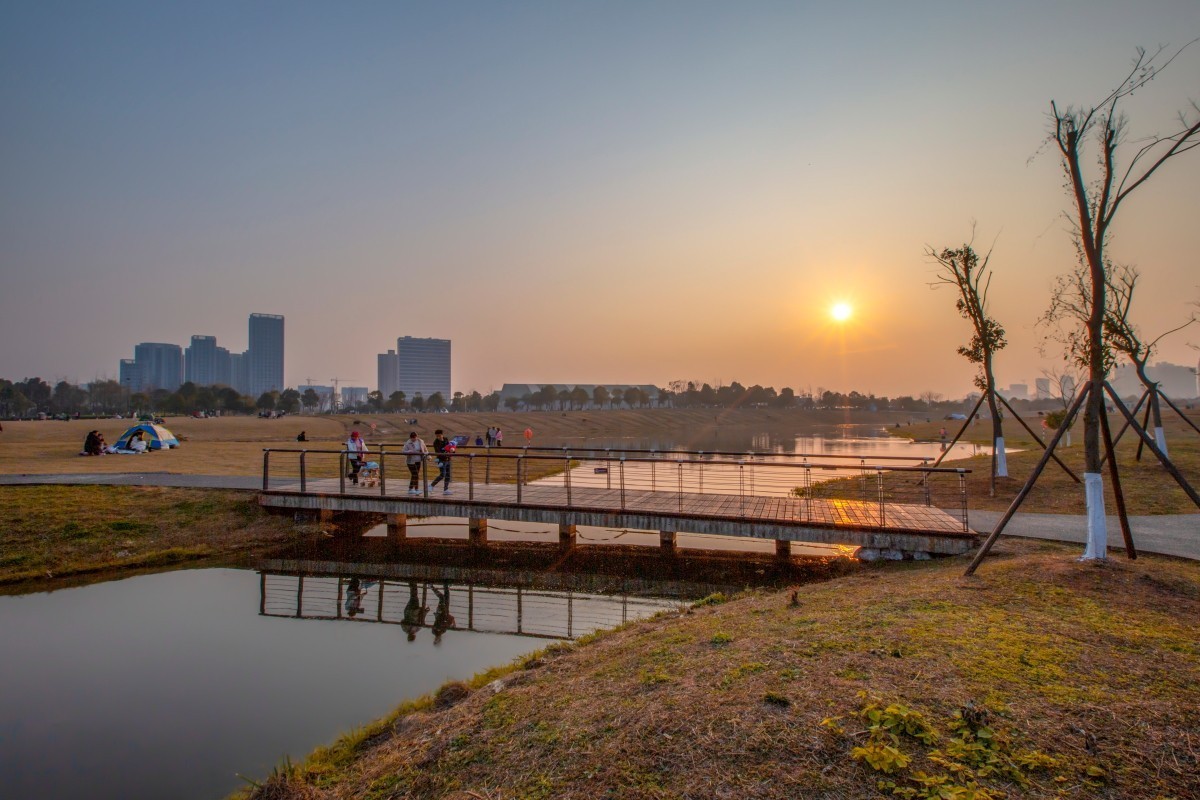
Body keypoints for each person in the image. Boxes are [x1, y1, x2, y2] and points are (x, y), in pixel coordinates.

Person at [402, 431, 428, 495]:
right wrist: (408, 451)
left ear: (417, 437)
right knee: (415, 474)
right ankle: (414, 489)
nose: (414, 439)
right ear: (410, 438)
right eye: (412, 438)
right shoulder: (408, 443)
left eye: (415, 438)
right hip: (410, 461)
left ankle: (413, 489)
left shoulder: (420, 441)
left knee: (415, 475)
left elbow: (425, 449)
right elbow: (403, 451)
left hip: (418, 460)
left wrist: (427, 455)